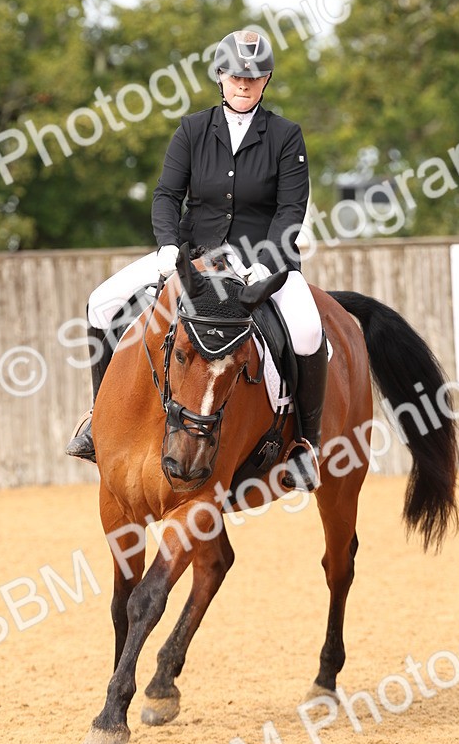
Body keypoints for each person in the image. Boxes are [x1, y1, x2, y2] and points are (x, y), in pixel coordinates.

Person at [65, 28, 327, 490]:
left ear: (265, 82)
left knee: (307, 331)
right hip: (191, 256)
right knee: (100, 304)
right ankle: (97, 422)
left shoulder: (286, 136)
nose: (244, 84)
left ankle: (305, 445)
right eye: (235, 76)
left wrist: (266, 263)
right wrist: (169, 246)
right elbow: (167, 194)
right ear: (220, 76)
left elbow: (291, 209)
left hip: (260, 262)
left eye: (254, 77)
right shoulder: (191, 129)